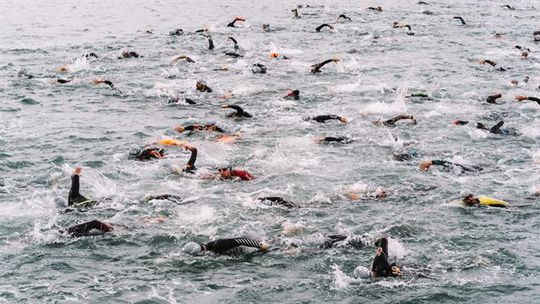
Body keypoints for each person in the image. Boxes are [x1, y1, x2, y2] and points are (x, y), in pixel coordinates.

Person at [183, 237, 269, 255]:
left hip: (253, 247)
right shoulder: (210, 250)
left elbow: (240, 240)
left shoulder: (218, 245)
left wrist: (259, 245)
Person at [453, 120, 520, 136]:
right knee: (493, 131)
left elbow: (473, 123)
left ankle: (496, 128)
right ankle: (496, 128)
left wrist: (461, 122)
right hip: (498, 132)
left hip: (498, 132)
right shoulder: (482, 128)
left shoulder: (481, 129)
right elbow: (473, 123)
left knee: (494, 131)